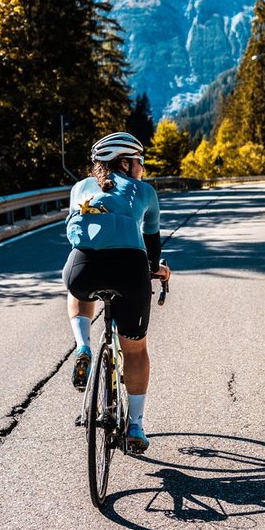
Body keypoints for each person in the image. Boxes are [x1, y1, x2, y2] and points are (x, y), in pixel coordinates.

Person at [62, 131, 170, 454]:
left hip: (83, 268)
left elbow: (78, 236)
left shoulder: (80, 187)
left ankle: (83, 346)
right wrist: (158, 269)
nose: (142, 169)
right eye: (140, 162)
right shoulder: (145, 192)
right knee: (135, 351)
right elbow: (152, 247)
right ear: (125, 162)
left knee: (78, 290)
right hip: (129, 271)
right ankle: (135, 425)